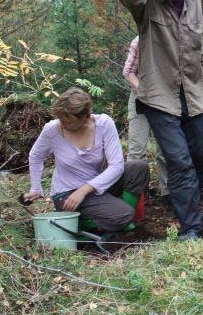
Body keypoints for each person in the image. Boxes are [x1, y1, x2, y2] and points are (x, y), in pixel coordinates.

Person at [116, 0, 203, 241]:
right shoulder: (145, 1)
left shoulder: (195, 1)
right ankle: (191, 228)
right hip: (159, 97)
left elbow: (197, 46)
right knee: (179, 161)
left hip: (194, 94)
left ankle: (183, 198)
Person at [24, 87, 149, 232]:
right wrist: (35, 187)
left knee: (138, 168)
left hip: (93, 185)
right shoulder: (52, 129)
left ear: (85, 116)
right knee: (124, 214)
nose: (63, 125)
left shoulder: (103, 124)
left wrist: (84, 190)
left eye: (68, 121)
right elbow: (35, 156)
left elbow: (116, 165)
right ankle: (77, 225)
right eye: (61, 120)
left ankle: (123, 221)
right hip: (67, 194)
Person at [123, 36, 169, 198]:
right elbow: (128, 72)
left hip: (166, 100)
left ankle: (167, 193)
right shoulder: (139, 41)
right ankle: (135, 195)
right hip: (139, 98)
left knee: (165, 149)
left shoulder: (174, 39)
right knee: (137, 150)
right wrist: (146, 92)